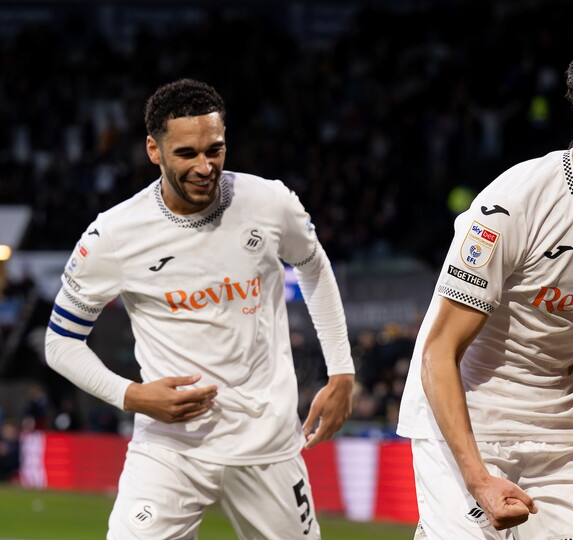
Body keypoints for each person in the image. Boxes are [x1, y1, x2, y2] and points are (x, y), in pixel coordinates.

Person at [397, 30, 573, 540]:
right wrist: (478, 478)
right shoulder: (515, 203)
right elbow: (439, 352)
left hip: (559, 431)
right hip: (466, 419)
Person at [44, 79, 354, 539]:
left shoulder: (269, 203)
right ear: (154, 150)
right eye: (187, 154)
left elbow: (312, 265)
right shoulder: (113, 234)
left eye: (215, 149)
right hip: (170, 448)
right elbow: (60, 342)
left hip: (266, 440)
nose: (205, 166)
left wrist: (341, 371)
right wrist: (132, 395)